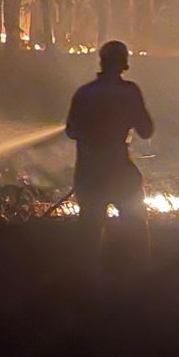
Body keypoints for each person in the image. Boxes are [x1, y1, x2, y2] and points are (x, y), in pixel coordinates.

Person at [64, 39, 154, 262]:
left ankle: (85, 284)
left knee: (89, 233)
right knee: (135, 230)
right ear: (124, 65)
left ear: (102, 62)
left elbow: (71, 131)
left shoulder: (84, 93)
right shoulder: (130, 92)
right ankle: (141, 278)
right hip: (119, 170)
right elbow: (146, 130)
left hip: (89, 172)